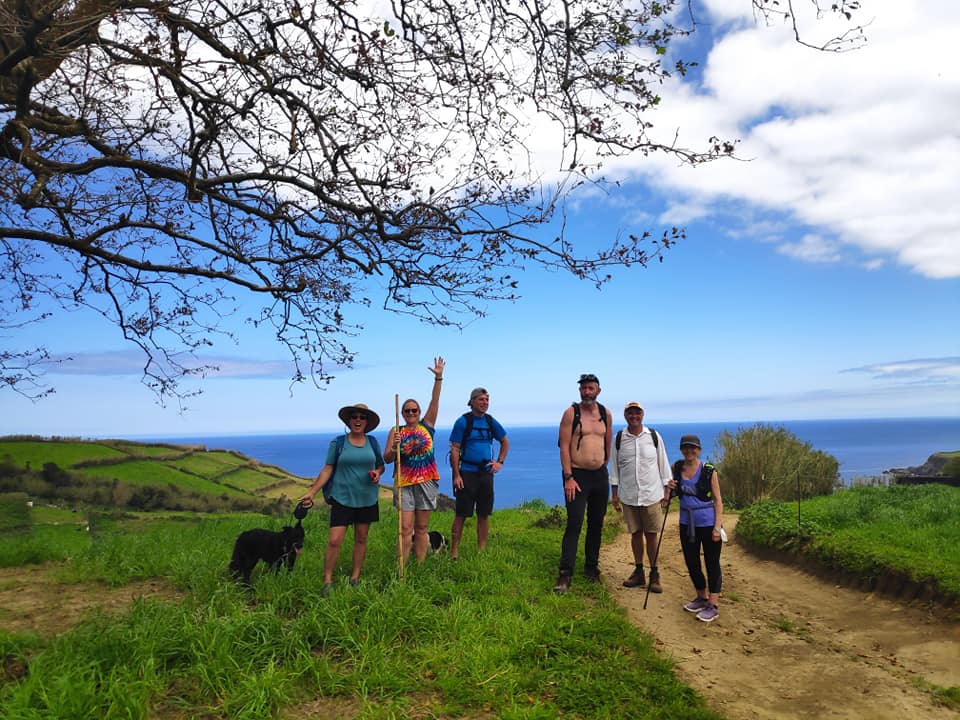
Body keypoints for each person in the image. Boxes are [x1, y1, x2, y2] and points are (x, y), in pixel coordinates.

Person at [300, 403, 384, 591]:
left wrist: (377, 473)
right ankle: (328, 580)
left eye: (362, 417)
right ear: (348, 420)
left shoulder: (373, 442)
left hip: (367, 498)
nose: (358, 420)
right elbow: (328, 468)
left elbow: (381, 465)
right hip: (342, 497)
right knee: (334, 540)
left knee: (361, 539)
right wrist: (312, 492)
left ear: (367, 422)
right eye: (354, 416)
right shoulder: (338, 443)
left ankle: (355, 577)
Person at [382, 356, 445, 563]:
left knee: (421, 528)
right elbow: (388, 458)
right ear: (402, 413)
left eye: (414, 410)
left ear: (418, 413)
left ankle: (420, 564)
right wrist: (394, 447)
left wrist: (438, 378)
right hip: (404, 483)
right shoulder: (396, 430)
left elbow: (434, 401)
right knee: (405, 527)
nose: (411, 413)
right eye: (407, 410)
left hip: (426, 482)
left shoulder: (427, 426)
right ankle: (402, 565)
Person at [554, 373, 612, 593]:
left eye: (590, 388)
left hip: (599, 475)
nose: (587, 392)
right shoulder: (571, 413)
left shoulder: (605, 414)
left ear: (598, 390)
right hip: (576, 476)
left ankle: (591, 567)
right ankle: (565, 573)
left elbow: (607, 444)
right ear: (580, 391)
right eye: (583, 388)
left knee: (596, 523)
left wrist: (601, 465)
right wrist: (568, 477)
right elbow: (564, 446)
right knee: (575, 522)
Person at [610, 402, 672, 592]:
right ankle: (639, 571)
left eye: (637, 412)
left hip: (651, 494)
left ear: (642, 415)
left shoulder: (653, 436)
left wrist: (667, 490)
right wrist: (614, 494)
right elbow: (614, 467)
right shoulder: (619, 438)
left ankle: (654, 573)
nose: (634, 416)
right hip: (629, 495)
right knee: (635, 534)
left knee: (651, 535)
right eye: (630, 412)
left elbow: (663, 463)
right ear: (625, 415)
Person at [448, 387, 509, 559]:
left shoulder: (490, 422)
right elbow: (455, 449)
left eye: (487, 400)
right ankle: (454, 552)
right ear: (472, 401)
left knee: (483, 513)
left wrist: (499, 462)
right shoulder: (463, 422)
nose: (485, 403)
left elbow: (505, 441)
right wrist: (456, 475)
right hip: (467, 473)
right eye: (481, 399)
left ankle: (481, 551)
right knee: (461, 513)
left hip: (486, 473)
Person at [674, 434, 725, 623]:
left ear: (699, 450)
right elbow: (673, 492)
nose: (689, 451)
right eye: (686, 447)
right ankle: (701, 597)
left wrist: (717, 527)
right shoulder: (677, 468)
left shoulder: (709, 471)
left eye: (693, 448)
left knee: (712, 562)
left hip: (708, 522)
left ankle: (713, 604)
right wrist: (670, 488)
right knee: (691, 561)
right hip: (686, 522)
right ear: (681, 449)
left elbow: (718, 500)